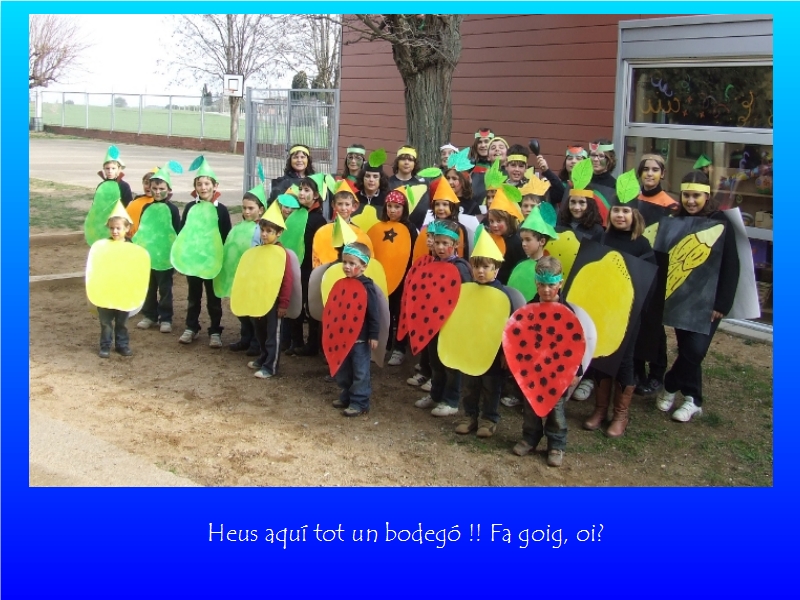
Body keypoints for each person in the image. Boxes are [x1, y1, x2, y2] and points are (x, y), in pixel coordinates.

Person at [656, 170, 739, 423]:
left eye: (696, 196)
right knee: (687, 348)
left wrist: (722, 303)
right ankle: (693, 399)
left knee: (695, 349)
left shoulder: (720, 222)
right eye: (687, 195)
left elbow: (731, 264)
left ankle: (670, 384)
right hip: (682, 299)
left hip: (709, 301)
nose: (691, 201)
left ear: (707, 196)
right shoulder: (675, 220)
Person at [583, 204, 656, 437]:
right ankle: (600, 409)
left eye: (625, 211)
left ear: (634, 215)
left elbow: (648, 282)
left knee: (624, 360)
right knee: (601, 357)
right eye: (616, 210)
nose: (620, 215)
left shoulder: (642, 245)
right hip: (602, 310)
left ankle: (620, 415)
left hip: (628, 313)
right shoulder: (600, 238)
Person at [512, 256, 581, 468]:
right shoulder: (530, 308)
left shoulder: (568, 312)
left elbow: (576, 344)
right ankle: (530, 438)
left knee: (556, 412)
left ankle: (556, 445)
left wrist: (575, 372)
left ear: (560, 283)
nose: (546, 290)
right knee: (530, 409)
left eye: (551, 285)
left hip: (558, 374)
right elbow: (519, 337)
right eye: (542, 285)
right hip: (533, 371)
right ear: (536, 283)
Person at [454, 235, 513, 438]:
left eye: (486, 267)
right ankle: (469, 416)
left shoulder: (502, 296)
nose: (480, 271)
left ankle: (489, 419)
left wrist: (505, 353)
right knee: (470, 385)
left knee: (491, 387)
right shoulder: (467, 291)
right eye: (476, 266)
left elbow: (508, 328)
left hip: (492, 352)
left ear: (496, 269)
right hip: (472, 348)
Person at [414, 220, 472, 417]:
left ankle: (451, 401)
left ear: (455, 244)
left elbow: (466, 296)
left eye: (445, 243)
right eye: (437, 242)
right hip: (433, 322)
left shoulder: (461, 267)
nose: (440, 247)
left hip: (452, 323)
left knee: (450, 364)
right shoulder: (432, 264)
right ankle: (436, 394)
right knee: (435, 362)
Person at [178, 157, 232, 347]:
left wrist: (222, 260)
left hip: (212, 261)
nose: (203, 187)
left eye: (207, 183)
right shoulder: (190, 208)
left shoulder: (221, 210)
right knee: (193, 297)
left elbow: (226, 235)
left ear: (215, 185)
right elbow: (183, 232)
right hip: (194, 261)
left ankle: (215, 331)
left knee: (214, 298)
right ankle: (191, 327)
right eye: (199, 184)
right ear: (195, 187)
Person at [330, 242, 381, 417]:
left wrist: (374, 335)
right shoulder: (341, 284)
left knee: (360, 372)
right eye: (345, 262)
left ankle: (359, 402)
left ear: (364, 266)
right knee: (344, 370)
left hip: (360, 339)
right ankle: (347, 395)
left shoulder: (367, 286)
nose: (347, 266)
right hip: (343, 338)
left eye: (352, 263)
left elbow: (374, 312)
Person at [247, 202, 295, 379]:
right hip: (259, 298)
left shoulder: (281, 253)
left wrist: (283, 303)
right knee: (260, 331)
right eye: (262, 230)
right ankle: (263, 357)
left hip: (274, 301)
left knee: (272, 334)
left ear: (279, 233)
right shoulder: (258, 251)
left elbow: (287, 279)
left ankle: (270, 366)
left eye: (269, 231)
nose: (264, 234)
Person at [135, 165, 182, 334]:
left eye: (161, 188)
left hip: (165, 257)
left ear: (168, 190)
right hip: (149, 255)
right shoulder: (146, 208)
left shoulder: (172, 210)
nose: (157, 191)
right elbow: (143, 230)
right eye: (154, 188)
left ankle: (166, 318)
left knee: (165, 289)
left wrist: (175, 255)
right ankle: (149, 315)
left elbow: (176, 232)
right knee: (149, 286)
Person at [287, 175, 328, 357]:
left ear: (316, 195)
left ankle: (312, 344)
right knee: (295, 302)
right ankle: (296, 341)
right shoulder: (295, 214)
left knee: (311, 307)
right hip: (295, 267)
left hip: (310, 269)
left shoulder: (318, 220)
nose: (302, 193)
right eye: (300, 189)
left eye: (306, 190)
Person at [228, 185, 267, 355]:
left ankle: (256, 342)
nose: (246, 211)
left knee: (253, 311)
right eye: (244, 208)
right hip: (240, 275)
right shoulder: (238, 227)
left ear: (261, 210)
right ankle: (245, 337)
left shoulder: (263, 230)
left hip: (255, 276)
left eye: (251, 208)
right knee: (241, 307)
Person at [381, 189, 418, 367]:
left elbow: (414, 253)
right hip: (385, 277)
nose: (392, 210)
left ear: (404, 209)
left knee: (400, 313)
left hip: (404, 278)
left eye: (397, 207)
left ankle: (400, 348)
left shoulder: (410, 229)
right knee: (385, 312)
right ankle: (385, 344)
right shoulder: (380, 227)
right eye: (389, 206)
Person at [94, 207, 135, 358]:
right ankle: (105, 345)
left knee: (122, 321)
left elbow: (136, 270)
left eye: (118, 228)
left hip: (123, 290)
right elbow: (96, 267)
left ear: (127, 228)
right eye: (112, 228)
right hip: (106, 290)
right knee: (105, 321)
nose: (115, 231)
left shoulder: (132, 249)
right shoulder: (103, 247)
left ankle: (122, 345)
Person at [354, 150, 389, 215]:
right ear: (362, 178)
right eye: (367, 176)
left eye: (375, 177)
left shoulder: (387, 199)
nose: (371, 180)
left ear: (381, 179)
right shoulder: (354, 198)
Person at [126, 168, 158, 237]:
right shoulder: (136, 200)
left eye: (152, 184)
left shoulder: (159, 203)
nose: (148, 187)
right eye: (146, 183)